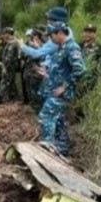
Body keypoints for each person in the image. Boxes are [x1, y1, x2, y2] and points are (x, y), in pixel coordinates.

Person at [37, 21, 86, 156]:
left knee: (45, 117)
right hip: (53, 91)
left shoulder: (72, 47)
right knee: (59, 121)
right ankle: (62, 149)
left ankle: (46, 149)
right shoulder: (61, 47)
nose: (50, 39)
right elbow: (60, 68)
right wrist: (46, 71)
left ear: (59, 33)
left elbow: (80, 70)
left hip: (60, 94)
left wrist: (65, 86)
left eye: (52, 35)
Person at [0, 27, 21, 104]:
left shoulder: (13, 43)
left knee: (6, 83)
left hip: (10, 67)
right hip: (7, 66)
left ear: (8, 34)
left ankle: (5, 100)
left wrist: (5, 66)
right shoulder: (10, 43)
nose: (4, 36)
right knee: (7, 83)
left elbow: (9, 58)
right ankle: (6, 100)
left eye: (5, 34)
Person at [79, 24, 101, 94]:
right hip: (78, 79)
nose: (87, 34)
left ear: (95, 35)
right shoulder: (78, 46)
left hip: (92, 81)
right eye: (86, 32)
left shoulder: (99, 49)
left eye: (90, 32)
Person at [21, 28, 45, 109]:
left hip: (37, 73)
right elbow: (23, 56)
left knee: (37, 92)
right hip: (29, 71)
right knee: (30, 90)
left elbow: (40, 56)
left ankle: (38, 109)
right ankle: (33, 107)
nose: (32, 37)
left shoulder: (42, 45)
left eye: (34, 36)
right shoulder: (28, 44)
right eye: (32, 36)